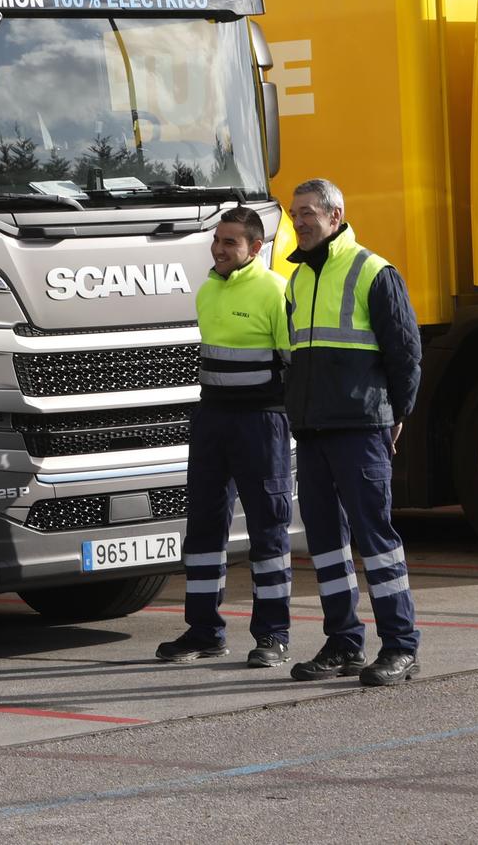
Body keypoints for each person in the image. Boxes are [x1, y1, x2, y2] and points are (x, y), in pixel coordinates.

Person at [282, 177, 423, 687]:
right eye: (294, 213)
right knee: (326, 543)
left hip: (362, 427)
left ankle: (401, 646)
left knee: (375, 539)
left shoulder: (373, 271)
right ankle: (343, 642)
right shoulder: (296, 279)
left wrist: (397, 414)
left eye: (308, 212)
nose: (298, 221)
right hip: (314, 430)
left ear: (335, 216)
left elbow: (405, 351)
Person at [156, 205, 295, 667]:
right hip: (212, 420)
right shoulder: (207, 291)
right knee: (203, 528)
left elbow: (293, 366)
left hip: (262, 424)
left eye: (230, 242)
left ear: (255, 248)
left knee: (268, 529)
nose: (219, 248)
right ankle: (203, 632)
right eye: (217, 240)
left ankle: (272, 635)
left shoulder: (276, 291)